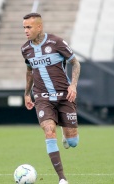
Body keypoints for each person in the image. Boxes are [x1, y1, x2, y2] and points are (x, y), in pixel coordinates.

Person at [21, 13, 80, 184]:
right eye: (24, 27)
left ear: (39, 27)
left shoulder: (56, 42)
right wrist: (26, 93)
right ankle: (62, 178)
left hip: (64, 96)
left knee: (73, 142)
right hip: (42, 97)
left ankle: (65, 132)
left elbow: (75, 63)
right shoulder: (25, 49)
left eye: (28, 27)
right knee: (48, 130)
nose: (25, 30)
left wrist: (73, 85)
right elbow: (29, 71)